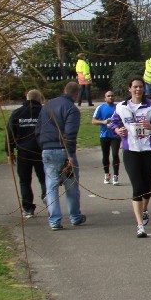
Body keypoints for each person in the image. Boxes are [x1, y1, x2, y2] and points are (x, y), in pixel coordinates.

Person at [110, 76, 151, 238]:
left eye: (140, 86)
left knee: (146, 189)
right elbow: (113, 123)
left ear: (144, 89)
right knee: (137, 187)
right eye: (135, 87)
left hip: (148, 152)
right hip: (130, 152)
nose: (138, 89)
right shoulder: (121, 107)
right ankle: (140, 225)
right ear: (129, 89)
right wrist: (117, 130)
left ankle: (145, 209)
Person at [37, 81, 86, 231]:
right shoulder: (71, 109)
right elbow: (70, 134)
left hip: (47, 149)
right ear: (76, 94)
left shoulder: (47, 106)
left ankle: (54, 220)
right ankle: (75, 216)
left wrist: (43, 146)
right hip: (63, 151)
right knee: (71, 185)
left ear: (64, 90)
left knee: (51, 186)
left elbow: (38, 129)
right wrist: (70, 154)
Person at [5, 89, 46, 218]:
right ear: (39, 99)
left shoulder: (17, 113)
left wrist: (9, 152)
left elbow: (10, 133)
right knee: (44, 177)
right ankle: (46, 195)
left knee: (24, 181)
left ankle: (28, 208)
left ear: (27, 98)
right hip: (41, 150)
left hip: (23, 151)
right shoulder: (44, 112)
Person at [92, 89, 121, 185]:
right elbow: (93, 121)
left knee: (115, 154)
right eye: (108, 96)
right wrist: (103, 122)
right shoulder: (100, 108)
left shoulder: (118, 107)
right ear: (105, 98)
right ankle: (106, 174)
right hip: (104, 135)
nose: (111, 97)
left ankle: (116, 176)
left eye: (112, 96)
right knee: (105, 155)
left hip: (116, 135)